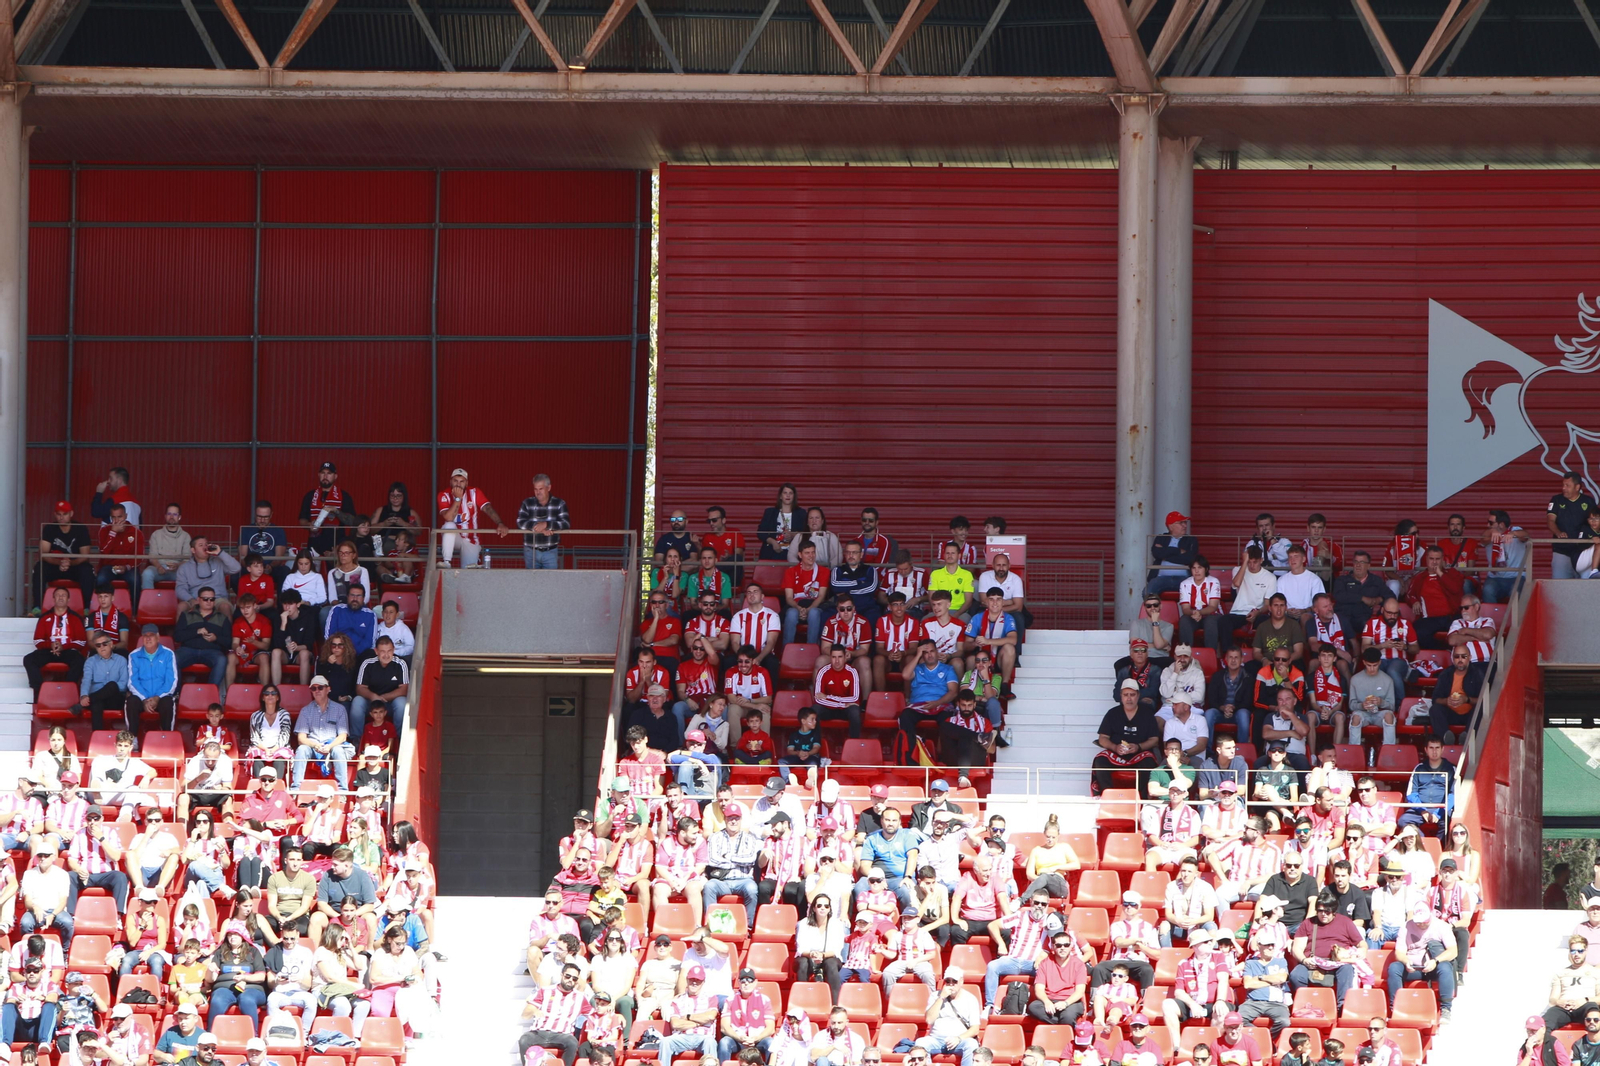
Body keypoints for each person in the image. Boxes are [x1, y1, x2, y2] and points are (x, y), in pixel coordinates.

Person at [1385, 902, 1457, 1023]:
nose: (1422, 924)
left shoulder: (1441, 926)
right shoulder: (1406, 927)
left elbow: (1453, 951)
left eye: (1425, 921)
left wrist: (1435, 961)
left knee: (1445, 967)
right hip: (1414, 967)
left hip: (1434, 965)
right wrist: (1406, 961)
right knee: (1394, 968)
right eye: (1419, 922)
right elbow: (1399, 952)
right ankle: (1396, 1007)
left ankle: (1446, 1009)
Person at [983, 889, 1051, 1010]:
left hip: (1033, 963)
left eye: (1043, 904)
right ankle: (990, 1006)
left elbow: (1057, 942)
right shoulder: (1020, 916)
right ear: (1031, 902)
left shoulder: (1050, 921)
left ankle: (1041, 1007)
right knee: (992, 966)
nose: (1039, 906)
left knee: (1049, 972)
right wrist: (1001, 944)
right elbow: (992, 925)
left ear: (1047, 905)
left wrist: (1043, 956)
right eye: (1036, 902)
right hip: (1013, 960)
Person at [1092, 680, 1161, 795]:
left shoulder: (1147, 713)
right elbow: (1102, 738)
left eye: (1132, 695)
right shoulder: (1112, 713)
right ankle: (1107, 795)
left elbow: (1154, 740)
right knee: (1100, 761)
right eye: (1126, 695)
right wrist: (1114, 747)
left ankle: (1141, 798)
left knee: (1149, 762)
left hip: (1139, 754)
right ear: (1121, 696)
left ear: (1138, 695)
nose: (1129, 698)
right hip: (1117, 753)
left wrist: (1138, 747)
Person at [291, 676, 352, 790]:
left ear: (328, 689)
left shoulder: (339, 709)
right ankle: (296, 788)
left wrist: (329, 746)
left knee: (338, 750)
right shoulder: (305, 710)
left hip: (332, 745)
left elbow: (343, 736)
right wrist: (315, 745)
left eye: (320, 687)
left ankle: (343, 790)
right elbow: (301, 738)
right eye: (313, 688)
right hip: (313, 746)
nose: (317, 691)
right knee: (302, 749)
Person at [25, 587, 88, 699]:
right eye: (58, 595)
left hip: (68, 650)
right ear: (53, 599)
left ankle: (68, 692)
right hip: (48, 650)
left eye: (64, 595)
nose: (60, 597)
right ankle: (39, 692)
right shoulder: (45, 617)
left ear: (68, 599)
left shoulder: (75, 618)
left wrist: (64, 646)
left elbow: (81, 641)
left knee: (79, 660)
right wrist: (51, 645)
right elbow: (37, 640)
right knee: (29, 659)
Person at [35, 501, 97, 611]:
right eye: (59, 514)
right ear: (55, 515)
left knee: (87, 570)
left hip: (75, 566)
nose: (61, 517)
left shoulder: (80, 528)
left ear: (71, 513)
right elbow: (43, 554)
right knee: (39, 568)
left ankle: (87, 608)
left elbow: (85, 555)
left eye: (65, 514)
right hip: (55, 566)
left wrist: (71, 563)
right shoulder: (49, 528)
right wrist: (59, 562)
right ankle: (37, 607)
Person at [914, 969, 982, 1066]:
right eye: (948, 981)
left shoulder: (970, 999)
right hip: (936, 1039)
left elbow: (975, 1029)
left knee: (971, 1044)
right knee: (920, 1043)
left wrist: (958, 1038)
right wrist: (941, 998)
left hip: (959, 1041)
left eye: (954, 981)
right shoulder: (935, 996)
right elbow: (929, 1020)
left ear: (961, 981)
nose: (951, 984)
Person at [173, 584, 231, 691]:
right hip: (188, 650)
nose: (209, 602)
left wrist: (216, 638)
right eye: (205, 599)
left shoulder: (222, 618)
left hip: (212, 651)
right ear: (198, 600)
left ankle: (210, 693)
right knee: (173, 658)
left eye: (212, 599)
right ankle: (177, 694)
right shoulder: (186, 615)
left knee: (222, 660)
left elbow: (229, 642)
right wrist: (196, 631)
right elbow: (177, 636)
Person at [1397, 737, 1456, 838]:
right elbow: (1411, 794)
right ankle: (1423, 843)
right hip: (1420, 809)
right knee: (1403, 821)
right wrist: (1422, 810)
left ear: (1442, 749)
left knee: (1449, 824)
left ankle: (1437, 845)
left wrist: (1438, 813)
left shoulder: (1451, 769)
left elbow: (1453, 795)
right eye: (1431, 748)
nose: (1434, 751)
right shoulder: (1419, 768)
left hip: (1442, 809)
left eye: (1437, 748)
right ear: (1426, 750)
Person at [1029, 930, 1088, 1025]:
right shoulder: (1044, 963)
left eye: (1066, 945)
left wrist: (1065, 1003)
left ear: (1071, 946)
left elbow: (1080, 991)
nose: (1062, 948)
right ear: (1053, 947)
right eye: (1059, 945)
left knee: (1067, 1016)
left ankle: (1062, 1025)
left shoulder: (1079, 964)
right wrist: (1047, 1002)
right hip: (1050, 1000)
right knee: (1033, 1007)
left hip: (1071, 1001)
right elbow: (1039, 989)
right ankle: (1061, 1025)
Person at [77, 629, 129, 732]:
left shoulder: (121, 660)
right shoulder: (90, 661)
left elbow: (124, 685)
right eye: (98, 645)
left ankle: (81, 705)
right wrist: (84, 696)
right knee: (97, 704)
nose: (102, 647)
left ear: (111, 644)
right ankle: (97, 737)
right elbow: (86, 680)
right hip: (96, 700)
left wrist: (107, 689)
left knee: (112, 685)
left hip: (115, 698)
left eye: (104, 644)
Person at [1431, 647, 1485, 744]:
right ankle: (1445, 738)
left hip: (1470, 715)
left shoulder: (1477, 673)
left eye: (1464, 656)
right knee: (1435, 709)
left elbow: (1484, 700)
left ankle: (1467, 738)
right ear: (1452, 658)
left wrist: (1467, 699)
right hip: (1451, 713)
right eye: (1457, 657)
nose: (1460, 660)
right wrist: (1446, 701)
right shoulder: (1445, 674)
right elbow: (1435, 699)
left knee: (1481, 709)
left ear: (1469, 657)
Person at [1549, 471, 1598, 579]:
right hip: (1562, 551)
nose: (1564, 488)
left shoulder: (1589, 501)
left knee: (1587, 586)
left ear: (1577, 487)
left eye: (1567, 485)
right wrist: (1558, 532)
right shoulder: (1557, 500)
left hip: (1583, 552)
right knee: (1560, 585)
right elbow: (1550, 521)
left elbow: (1596, 523)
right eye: (1563, 485)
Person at [1347, 647, 1398, 747]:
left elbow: (1392, 706)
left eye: (1375, 665)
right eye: (1369, 665)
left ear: (1379, 662)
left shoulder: (1387, 680)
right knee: (1355, 718)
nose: (1372, 669)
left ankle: (1389, 749)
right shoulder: (1355, 679)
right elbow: (1351, 705)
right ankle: (1354, 749)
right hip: (1363, 713)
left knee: (1389, 716)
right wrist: (1362, 705)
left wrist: (1381, 702)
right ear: (1364, 662)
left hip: (1380, 713)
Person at [1146, 511, 1197, 598]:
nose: (1185, 526)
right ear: (1171, 526)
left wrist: (1165, 555)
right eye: (1181, 523)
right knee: (1147, 592)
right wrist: (1178, 551)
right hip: (1161, 578)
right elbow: (1157, 554)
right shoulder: (1161, 538)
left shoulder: (1191, 540)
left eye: (1185, 522)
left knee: (1195, 595)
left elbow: (1190, 559)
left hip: (1184, 578)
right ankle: (1155, 607)